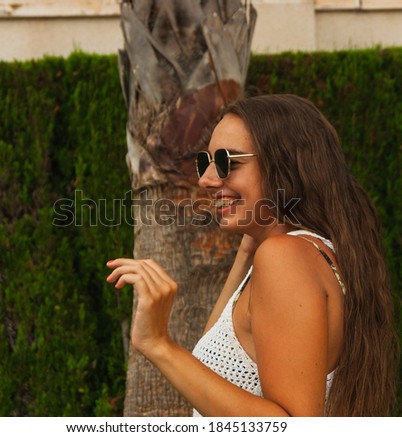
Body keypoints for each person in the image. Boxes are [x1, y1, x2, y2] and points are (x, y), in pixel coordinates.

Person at [106, 94, 399, 416]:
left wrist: (158, 344)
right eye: (205, 163)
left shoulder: (285, 258)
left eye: (227, 162)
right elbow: (214, 360)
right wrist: (250, 246)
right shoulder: (307, 253)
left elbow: (290, 426)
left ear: (284, 165)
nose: (205, 180)